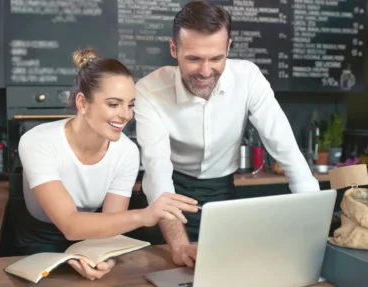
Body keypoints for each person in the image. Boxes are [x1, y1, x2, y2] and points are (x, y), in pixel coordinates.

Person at [134, 1, 321, 268]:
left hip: (222, 191)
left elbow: (285, 148)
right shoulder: (148, 90)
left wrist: (314, 223)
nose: (206, 72)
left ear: (228, 48)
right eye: (194, 58)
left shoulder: (249, 78)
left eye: (216, 58)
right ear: (174, 49)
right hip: (172, 192)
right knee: (170, 269)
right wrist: (178, 244)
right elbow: (157, 170)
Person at [16, 48, 199, 280]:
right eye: (114, 104)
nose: (125, 115)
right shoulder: (37, 141)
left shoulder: (127, 153)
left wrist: (103, 257)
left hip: (94, 234)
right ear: (82, 103)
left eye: (130, 105)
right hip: (38, 241)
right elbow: (70, 225)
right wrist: (145, 215)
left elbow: (112, 225)